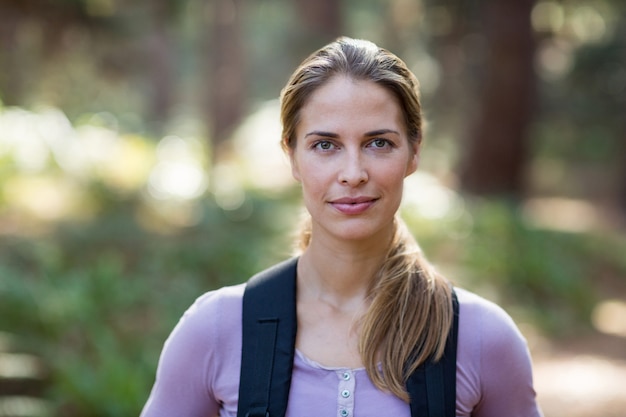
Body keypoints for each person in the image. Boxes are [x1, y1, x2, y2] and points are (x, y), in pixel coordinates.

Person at [140, 37, 543, 417]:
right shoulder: (216, 330)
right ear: (293, 156)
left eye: (379, 143)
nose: (353, 173)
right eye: (325, 145)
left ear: (414, 152)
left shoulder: (482, 338)